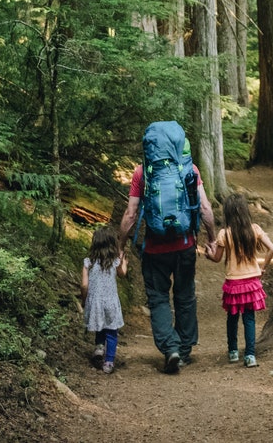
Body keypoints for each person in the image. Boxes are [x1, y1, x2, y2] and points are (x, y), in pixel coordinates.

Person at [119, 128, 217, 374]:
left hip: (154, 249)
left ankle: (170, 348)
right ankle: (184, 351)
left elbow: (131, 215)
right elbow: (205, 207)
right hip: (184, 246)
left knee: (159, 298)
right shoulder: (189, 169)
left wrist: (120, 246)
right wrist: (213, 238)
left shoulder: (143, 172)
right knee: (185, 296)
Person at [203, 193, 273, 367]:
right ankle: (250, 355)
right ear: (245, 211)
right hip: (252, 281)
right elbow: (272, 249)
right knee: (249, 318)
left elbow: (216, 258)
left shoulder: (224, 234)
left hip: (233, 283)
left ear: (228, 213)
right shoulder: (255, 229)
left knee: (232, 317)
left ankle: (233, 352)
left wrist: (208, 254)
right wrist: (262, 268)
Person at [80, 226, 127, 374]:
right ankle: (109, 362)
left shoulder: (88, 262)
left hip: (95, 301)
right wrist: (124, 262)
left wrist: (84, 299)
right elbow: (122, 274)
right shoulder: (114, 262)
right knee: (111, 332)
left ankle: (99, 348)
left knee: (100, 326)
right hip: (111, 301)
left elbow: (84, 284)